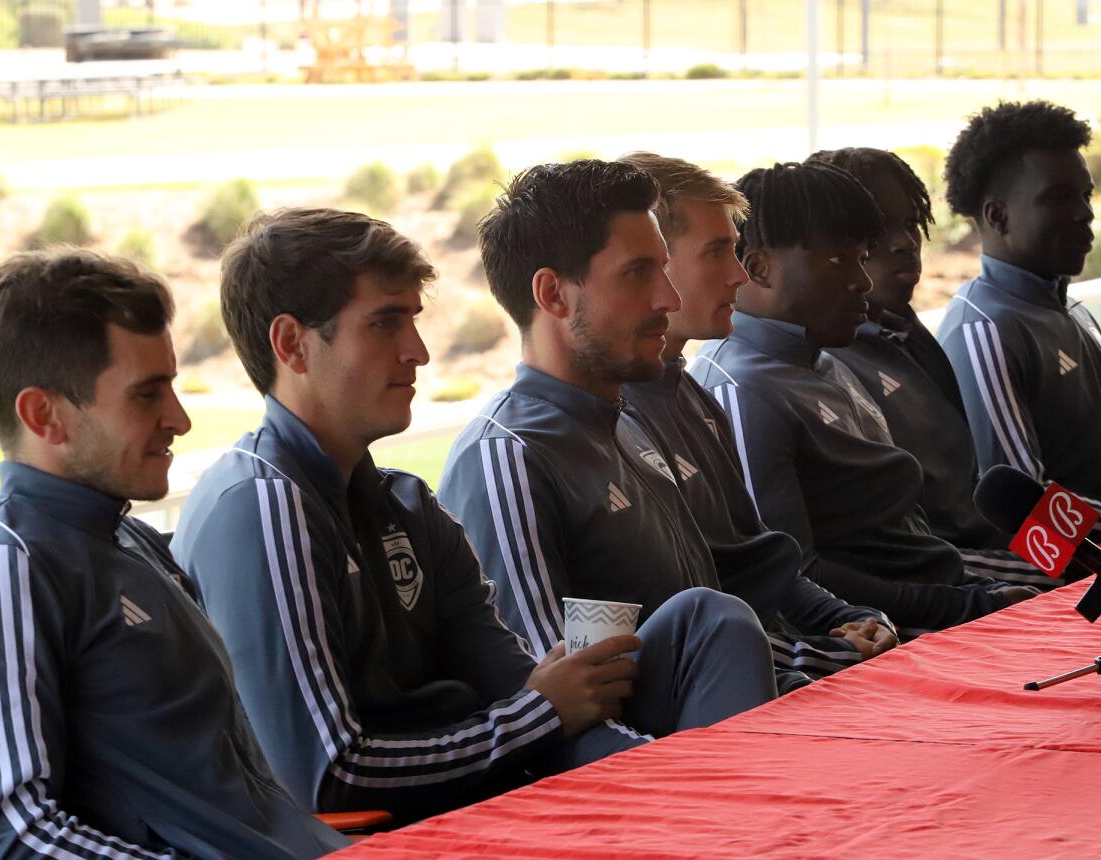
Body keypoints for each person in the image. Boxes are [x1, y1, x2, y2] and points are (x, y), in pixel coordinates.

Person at [172, 207, 778, 824]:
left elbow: (521, 685)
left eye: (414, 320)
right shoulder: (263, 504)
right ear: (291, 345)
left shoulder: (406, 503)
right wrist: (546, 725)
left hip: (496, 786)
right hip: (413, 829)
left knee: (709, 618)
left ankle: (729, 817)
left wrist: (662, 779)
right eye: (385, 324)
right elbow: (330, 777)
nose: (419, 352)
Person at [0, 250, 346, 859]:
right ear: (44, 415)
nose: (179, 418)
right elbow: (17, 832)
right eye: (147, 395)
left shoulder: (133, 541)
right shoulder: (7, 562)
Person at [437, 159, 811, 693]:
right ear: (553, 295)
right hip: (658, 768)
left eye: (664, 268)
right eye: (638, 273)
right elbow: (554, 710)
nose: (669, 298)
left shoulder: (628, 427)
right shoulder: (508, 456)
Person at [690, 161, 1034, 635]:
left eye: (860, 256)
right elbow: (795, 575)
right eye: (838, 260)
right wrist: (960, 607)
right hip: (893, 634)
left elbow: (902, 542)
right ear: (759, 269)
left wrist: (974, 594)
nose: (862, 282)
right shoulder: (742, 391)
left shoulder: (829, 361)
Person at [616, 151, 898, 670]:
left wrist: (855, 616)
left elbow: (764, 563)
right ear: (655, 262)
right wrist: (824, 652)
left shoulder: (694, 399)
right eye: (718, 252)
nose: (739, 275)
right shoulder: (630, 416)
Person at [809, 146, 1057, 589]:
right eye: (879, 229)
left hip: (998, 553)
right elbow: (898, 547)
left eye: (911, 223)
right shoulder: (830, 366)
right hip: (949, 577)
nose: (905, 242)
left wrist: (1077, 553)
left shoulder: (908, 333)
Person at [937, 100, 1101, 541]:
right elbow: (1028, 508)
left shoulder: (1069, 309)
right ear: (997, 216)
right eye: (1057, 198)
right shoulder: (985, 330)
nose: (1084, 213)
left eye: (1085, 195)